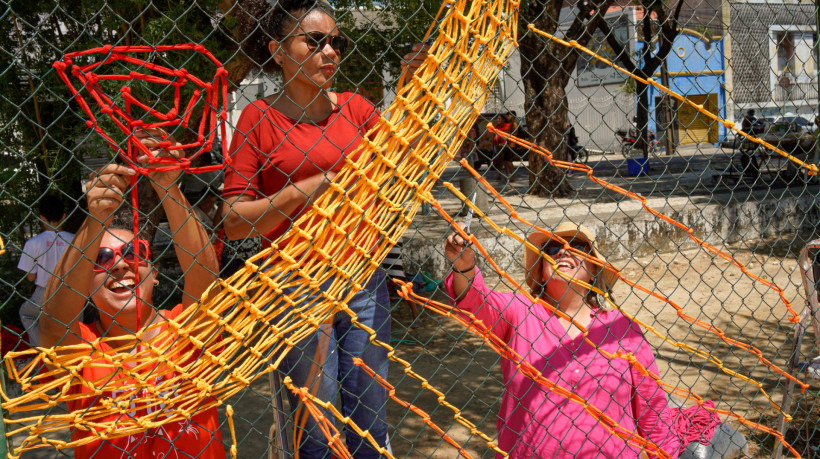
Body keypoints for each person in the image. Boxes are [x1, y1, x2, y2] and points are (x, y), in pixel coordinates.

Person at [223, 1, 428, 457]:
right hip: (296, 283)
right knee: (314, 427)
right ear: (278, 50)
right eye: (314, 41)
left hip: (362, 276)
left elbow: (403, 159)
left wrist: (415, 91)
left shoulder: (356, 110)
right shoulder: (258, 118)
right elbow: (234, 221)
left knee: (370, 418)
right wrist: (305, 190)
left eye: (336, 41)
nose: (329, 51)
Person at [38, 128, 225, 459]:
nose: (120, 265)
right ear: (86, 288)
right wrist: (93, 221)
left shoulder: (184, 330)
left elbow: (205, 275)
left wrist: (168, 186)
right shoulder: (81, 352)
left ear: (153, 275)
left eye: (134, 253)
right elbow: (53, 321)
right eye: (101, 259)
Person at [443, 222, 682, 458]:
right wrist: (464, 266)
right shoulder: (520, 312)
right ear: (541, 269)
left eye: (577, 246)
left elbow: (653, 411)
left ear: (593, 271)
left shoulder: (621, 328)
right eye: (551, 247)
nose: (563, 251)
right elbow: (474, 300)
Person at [17, 194, 74, 347]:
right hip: (72, 291)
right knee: (73, 323)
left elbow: (30, 277)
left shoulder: (33, 243)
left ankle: (44, 348)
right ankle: (74, 353)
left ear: (42, 217)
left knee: (27, 313)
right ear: (64, 216)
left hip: (45, 292)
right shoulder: (75, 240)